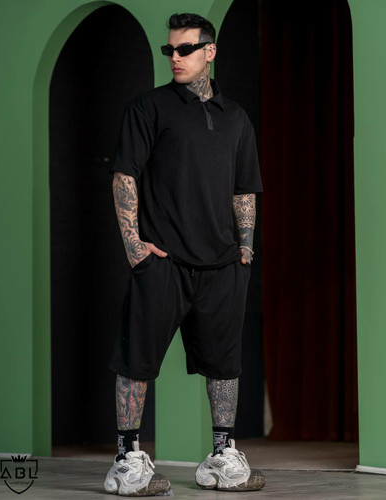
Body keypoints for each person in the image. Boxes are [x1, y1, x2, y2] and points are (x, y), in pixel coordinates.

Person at [103, 12, 265, 496]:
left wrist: (245, 248)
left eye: (185, 49)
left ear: (209, 52)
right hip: (163, 260)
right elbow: (125, 176)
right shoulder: (149, 107)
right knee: (136, 359)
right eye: (169, 50)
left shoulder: (236, 118)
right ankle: (126, 461)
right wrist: (135, 247)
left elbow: (244, 188)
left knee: (225, 364)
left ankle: (221, 456)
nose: (175, 57)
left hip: (222, 264)